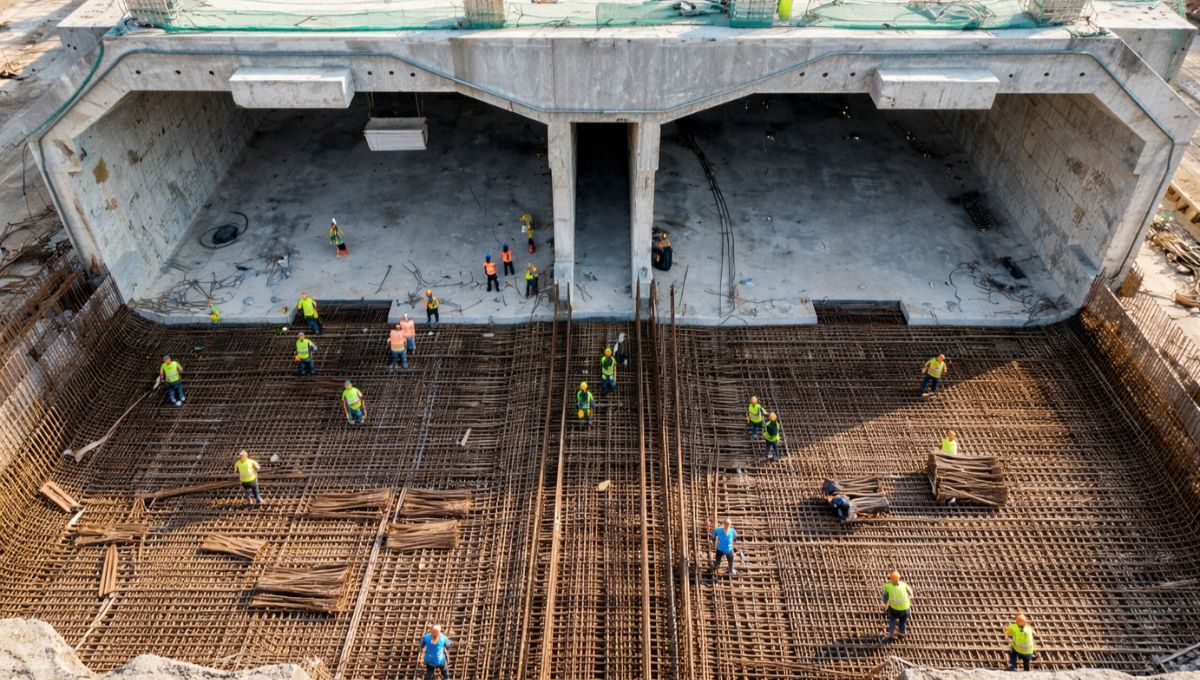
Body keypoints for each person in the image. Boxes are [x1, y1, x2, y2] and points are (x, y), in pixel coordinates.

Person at [882, 571, 913, 641]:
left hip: (894, 609)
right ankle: (902, 634)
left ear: (891, 579)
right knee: (902, 622)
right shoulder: (903, 585)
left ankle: (891, 635)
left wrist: (884, 605)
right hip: (906, 609)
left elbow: (885, 599)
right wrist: (910, 599)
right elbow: (910, 592)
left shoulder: (888, 587)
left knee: (892, 620)